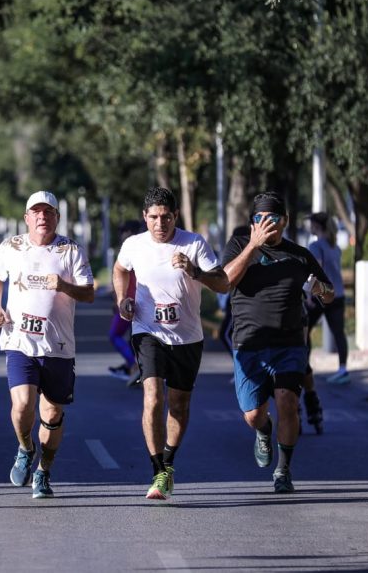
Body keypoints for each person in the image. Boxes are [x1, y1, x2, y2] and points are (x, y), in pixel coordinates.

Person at [113, 187, 229, 501]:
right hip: (147, 331)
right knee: (152, 397)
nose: (160, 224)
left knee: (179, 405)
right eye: (153, 217)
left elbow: (223, 282)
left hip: (188, 337)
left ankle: (169, 462)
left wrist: (195, 272)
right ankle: (157, 471)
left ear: (175, 216)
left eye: (166, 217)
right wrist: (123, 299)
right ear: (145, 217)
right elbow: (120, 269)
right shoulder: (134, 245)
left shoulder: (194, 244)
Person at [222, 192, 334, 493]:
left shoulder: (299, 255)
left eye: (271, 218)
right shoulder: (237, 247)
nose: (265, 224)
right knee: (252, 414)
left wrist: (319, 289)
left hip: (289, 344)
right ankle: (263, 429)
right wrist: (252, 247)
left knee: (287, 401)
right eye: (259, 219)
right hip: (248, 344)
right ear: (251, 223)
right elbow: (225, 280)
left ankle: (283, 471)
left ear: (284, 221)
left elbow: (329, 293)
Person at [0, 190, 95, 499]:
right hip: (19, 339)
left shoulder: (71, 251)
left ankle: (43, 471)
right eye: (36, 212)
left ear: (56, 218)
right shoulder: (12, 247)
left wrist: (63, 285)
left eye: (48, 212)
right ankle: (25, 447)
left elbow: (88, 293)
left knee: (51, 414)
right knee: (22, 405)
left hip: (58, 345)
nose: (42, 217)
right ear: (27, 218)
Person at [306, 213, 350, 386]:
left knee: (304, 330)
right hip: (338, 294)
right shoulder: (335, 246)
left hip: (320, 295)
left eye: (311, 223)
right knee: (339, 332)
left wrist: (309, 295)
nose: (309, 226)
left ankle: (304, 368)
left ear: (317, 226)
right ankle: (343, 370)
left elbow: (316, 271)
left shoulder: (315, 246)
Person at [107, 221, 141, 384]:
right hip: (132, 300)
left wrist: (120, 300)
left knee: (114, 335)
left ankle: (134, 365)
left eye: (125, 231)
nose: (122, 235)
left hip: (130, 301)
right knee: (134, 338)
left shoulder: (133, 250)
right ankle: (134, 366)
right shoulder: (139, 248)